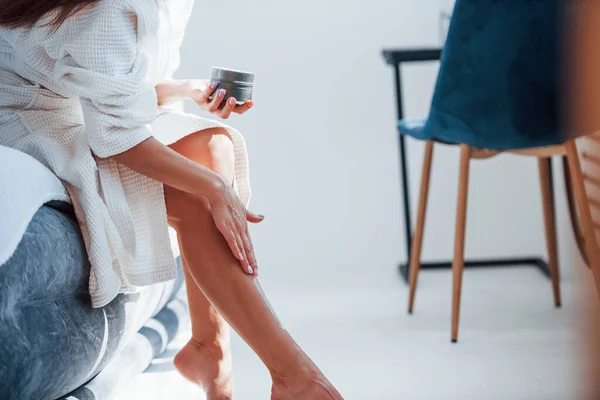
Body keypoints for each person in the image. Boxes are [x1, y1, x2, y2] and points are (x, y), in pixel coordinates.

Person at [0, 1, 342, 399]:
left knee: (215, 147)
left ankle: (209, 346)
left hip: (83, 110)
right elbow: (115, 137)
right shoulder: (112, 7)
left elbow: (117, 86)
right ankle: (295, 376)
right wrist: (214, 189)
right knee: (199, 193)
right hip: (28, 118)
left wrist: (188, 89)